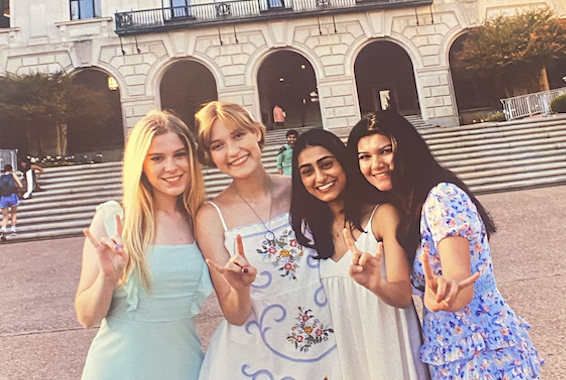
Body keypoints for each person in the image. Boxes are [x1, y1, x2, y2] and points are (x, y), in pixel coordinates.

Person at [347, 110, 544, 380]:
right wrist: (376, 283)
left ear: (407, 149)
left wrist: (444, 293)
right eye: (365, 157)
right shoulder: (407, 208)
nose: (375, 164)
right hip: (450, 353)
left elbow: (459, 280)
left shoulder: (441, 197)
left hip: (483, 353)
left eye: (386, 151)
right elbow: (410, 294)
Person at [194, 101, 341, 379]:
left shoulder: (301, 187)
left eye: (238, 135)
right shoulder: (211, 216)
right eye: (218, 145)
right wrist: (239, 289)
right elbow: (235, 315)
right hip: (261, 359)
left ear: (258, 132)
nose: (233, 151)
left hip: (333, 347)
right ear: (210, 156)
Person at [75, 110, 212, 380]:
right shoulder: (113, 218)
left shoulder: (202, 219)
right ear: (141, 165)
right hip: (119, 367)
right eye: (157, 158)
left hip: (184, 364)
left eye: (180, 154)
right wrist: (108, 277)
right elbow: (87, 318)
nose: (171, 167)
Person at [289, 129, 430, 379]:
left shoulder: (382, 216)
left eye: (327, 164)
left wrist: (376, 284)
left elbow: (401, 295)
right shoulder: (308, 232)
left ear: (344, 164)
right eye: (307, 171)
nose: (320, 177)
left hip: (388, 349)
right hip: (343, 356)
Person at [0, 164, 23, 238]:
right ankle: (13, 230)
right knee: (14, 213)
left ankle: (3, 229)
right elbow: (20, 185)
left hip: (3, 197)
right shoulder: (13, 175)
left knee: (5, 216)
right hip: (12, 196)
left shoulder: (1, 177)